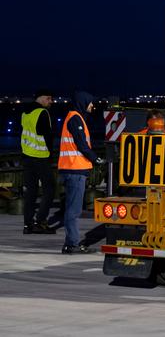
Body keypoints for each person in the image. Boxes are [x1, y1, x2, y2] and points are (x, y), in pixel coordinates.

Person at [59, 91, 103, 254]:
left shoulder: (76, 118)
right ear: (83, 102)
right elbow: (81, 145)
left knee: (72, 208)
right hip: (74, 169)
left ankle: (70, 243)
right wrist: (95, 158)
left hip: (73, 169)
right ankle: (72, 244)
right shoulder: (75, 119)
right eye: (90, 102)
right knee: (74, 210)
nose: (92, 105)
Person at [20, 90, 58, 234]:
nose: (51, 101)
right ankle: (40, 221)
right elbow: (48, 136)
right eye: (49, 98)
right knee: (50, 188)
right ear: (41, 98)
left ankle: (27, 225)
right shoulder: (43, 113)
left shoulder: (25, 113)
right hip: (41, 156)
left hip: (26, 156)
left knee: (31, 191)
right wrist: (50, 156)